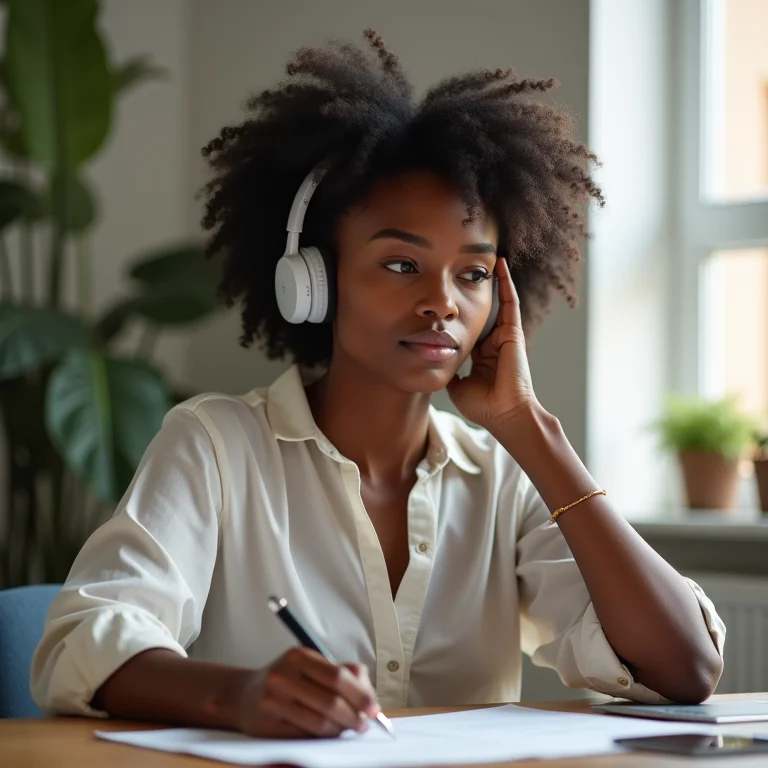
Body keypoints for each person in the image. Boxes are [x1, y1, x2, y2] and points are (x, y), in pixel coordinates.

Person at [31, 29, 724, 739]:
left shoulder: (504, 480)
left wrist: (528, 427)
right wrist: (238, 697)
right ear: (314, 282)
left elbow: (683, 669)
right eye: (401, 265)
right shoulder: (215, 446)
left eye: (474, 274)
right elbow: (80, 644)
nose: (443, 303)